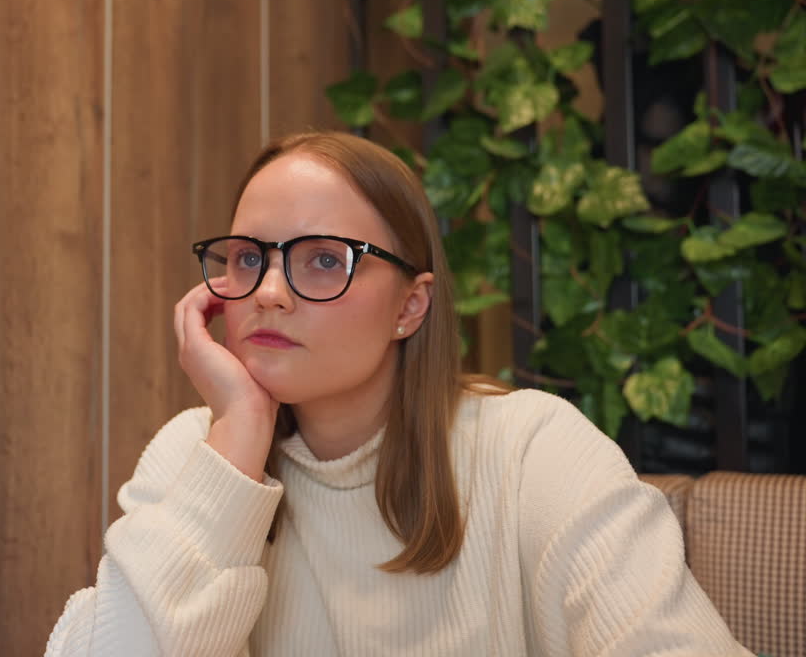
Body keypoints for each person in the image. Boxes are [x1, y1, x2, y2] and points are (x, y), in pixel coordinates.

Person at [44, 131, 750, 656]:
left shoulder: (530, 448)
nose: (267, 293)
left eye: (324, 260)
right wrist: (238, 440)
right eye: (248, 258)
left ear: (411, 307)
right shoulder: (199, 451)